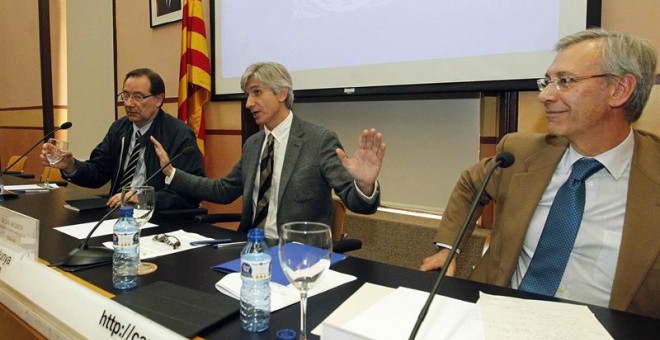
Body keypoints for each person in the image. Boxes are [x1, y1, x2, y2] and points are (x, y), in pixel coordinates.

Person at [419, 28, 659, 319]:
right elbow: (471, 184)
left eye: (565, 81)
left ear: (619, 90)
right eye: (547, 81)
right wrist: (448, 248)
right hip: (493, 316)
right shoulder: (519, 153)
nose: (544, 95)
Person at [150, 61, 386, 241]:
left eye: (256, 92)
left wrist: (365, 186)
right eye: (247, 95)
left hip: (297, 254)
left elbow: (359, 203)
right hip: (250, 247)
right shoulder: (254, 144)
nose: (248, 103)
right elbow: (223, 191)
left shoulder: (319, 140)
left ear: (282, 93)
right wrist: (171, 173)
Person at [41, 68, 205, 211]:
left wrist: (142, 198)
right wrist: (70, 166)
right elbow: (98, 172)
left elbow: (188, 194)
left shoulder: (178, 134)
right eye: (125, 95)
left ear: (158, 99)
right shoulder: (120, 128)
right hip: (116, 213)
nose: (128, 103)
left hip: (157, 217)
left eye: (138, 97)